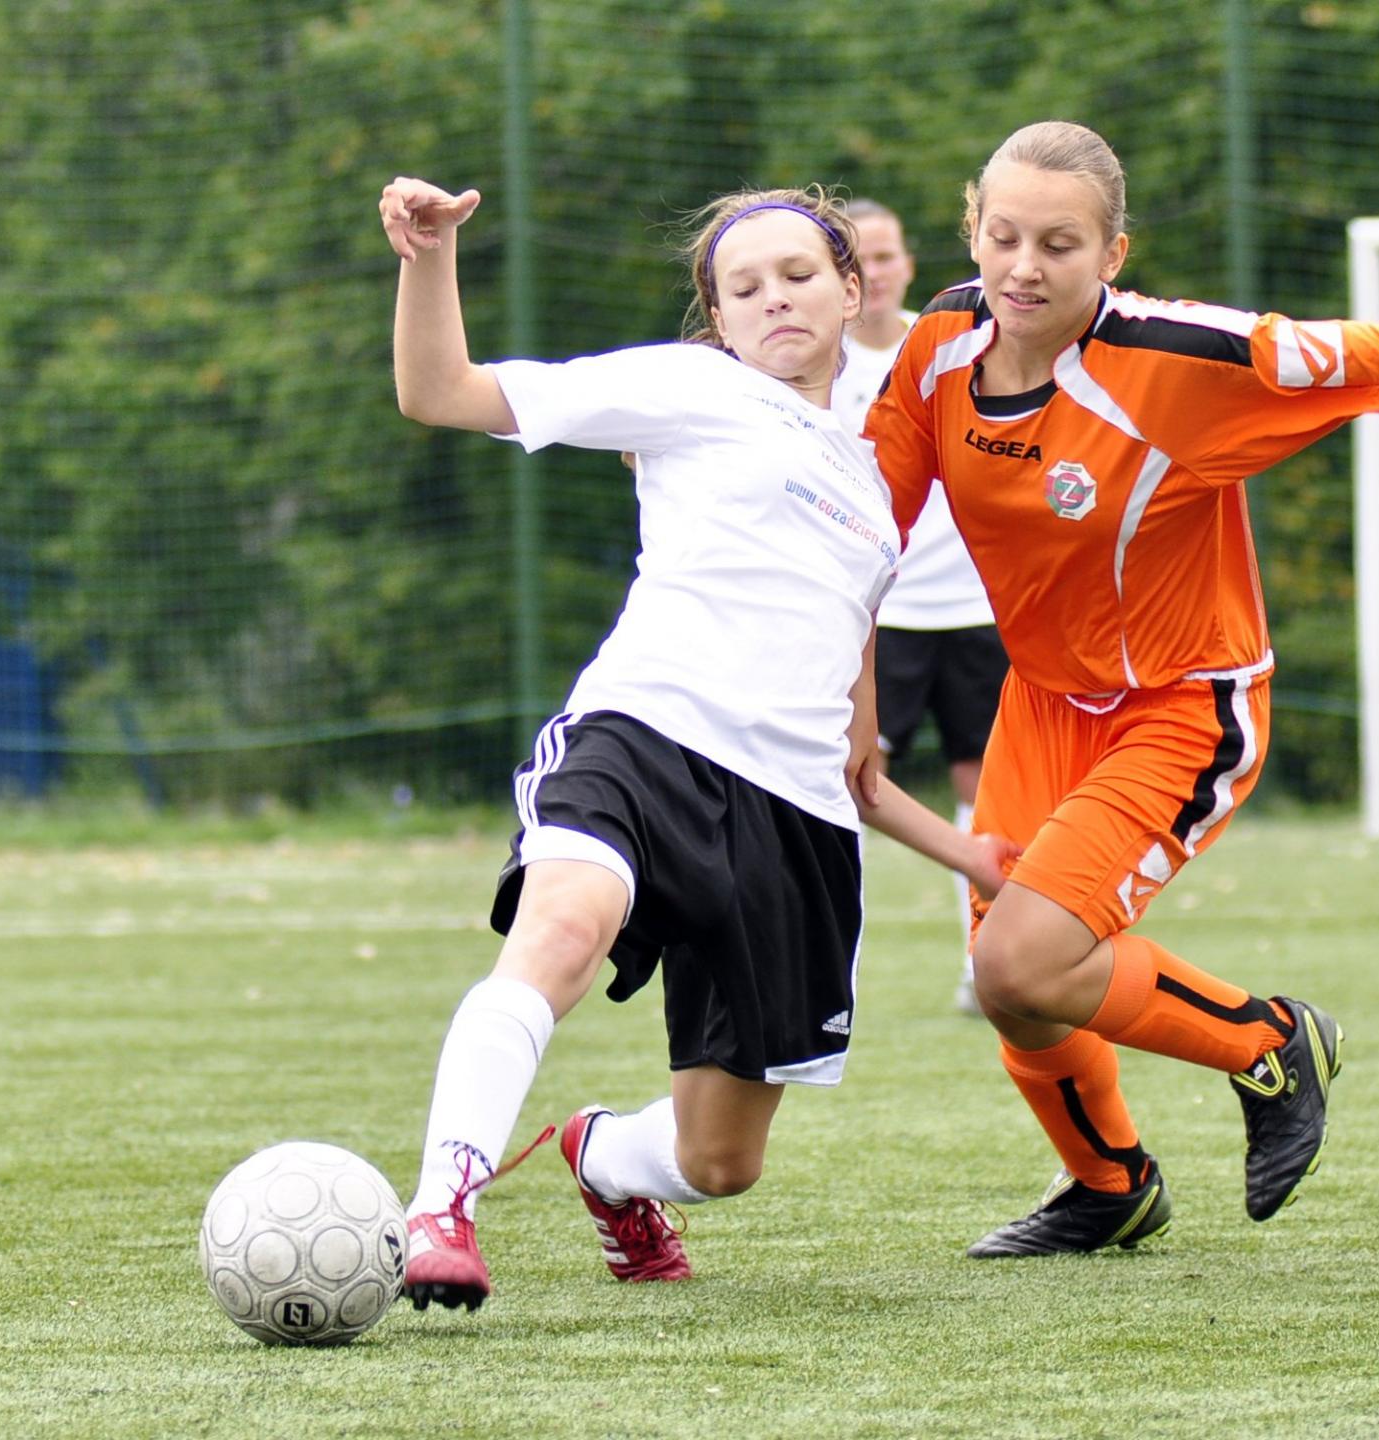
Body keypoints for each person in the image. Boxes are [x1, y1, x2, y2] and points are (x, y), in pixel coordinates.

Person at [864, 120, 1379, 1257]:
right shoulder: (938, 345)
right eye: (1004, 236)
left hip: (1181, 709)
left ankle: (1270, 1043)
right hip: (1043, 702)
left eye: (1060, 245)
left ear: (1113, 254)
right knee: (1011, 979)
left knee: (1024, 957)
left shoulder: (1184, 361)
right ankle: (1110, 1186)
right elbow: (862, 525)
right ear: (971, 227)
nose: (1025, 267)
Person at [378, 175, 1015, 1307]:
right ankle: (441, 1207)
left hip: (792, 820)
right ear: (717, 316)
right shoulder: (690, 388)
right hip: (645, 738)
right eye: (744, 286)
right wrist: (429, 258)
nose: (775, 298)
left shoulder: (881, 493)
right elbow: (440, 392)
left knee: (721, 1162)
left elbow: (855, 752)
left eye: (798, 274)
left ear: (851, 289)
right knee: (561, 933)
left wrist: (973, 856)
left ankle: (602, 1159)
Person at [831, 198, 1009, 1015]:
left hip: (977, 608)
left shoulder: (949, 346)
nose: (873, 273)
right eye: (857, 259)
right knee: (850, 783)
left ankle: (987, 963)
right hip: (881, 618)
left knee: (990, 792)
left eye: (885, 255)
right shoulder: (819, 365)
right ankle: (830, 975)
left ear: (907, 263)